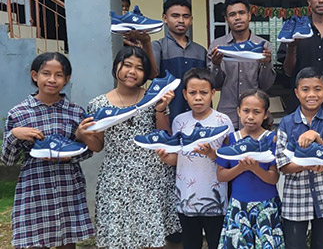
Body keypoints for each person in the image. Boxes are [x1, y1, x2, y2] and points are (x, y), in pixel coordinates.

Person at [84, 46, 180, 248]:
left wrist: (160, 109)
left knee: (151, 236)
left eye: (139, 68)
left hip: (151, 177)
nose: (132, 72)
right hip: (116, 178)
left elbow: (164, 136)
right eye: (127, 65)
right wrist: (82, 135)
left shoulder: (153, 97)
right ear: (116, 66)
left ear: (145, 74)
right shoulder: (98, 104)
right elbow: (98, 146)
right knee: (119, 236)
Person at [1, 53, 95, 249]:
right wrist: (14, 135)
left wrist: (78, 139)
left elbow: (87, 152)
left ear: (67, 79)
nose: (52, 80)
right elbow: (8, 160)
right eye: (46, 73)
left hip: (68, 188)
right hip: (35, 189)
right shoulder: (18, 113)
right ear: (35, 75)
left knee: (67, 243)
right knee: (34, 243)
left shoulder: (75, 112)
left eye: (59, 75)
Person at [158, 68, 234, 249]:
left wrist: (211, 154)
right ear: (184, 94)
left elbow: (230, 159)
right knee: (191, 244)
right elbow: (178, 159)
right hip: (186, 198)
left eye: (203, 92)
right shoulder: (179, 121)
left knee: (217, 243)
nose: (198, 97)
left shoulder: (223, 121)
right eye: (192, 93)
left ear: (213, 93)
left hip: (215, 199)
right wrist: (164, 157)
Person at [276, 67, 323, 249]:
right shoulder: (287, 123)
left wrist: (314, 136)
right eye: (305, 89)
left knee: (321, 244)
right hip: (296, 197)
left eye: (317, 89)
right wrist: (311, 162)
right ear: (296, 93)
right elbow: (283, 164)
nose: (311, 94)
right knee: (294, 245)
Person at [215, 89, 284, 248]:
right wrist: (240, 167)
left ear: (265, 114)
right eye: (246, 111)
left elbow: (274, 178)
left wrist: (255, 168)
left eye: (256, 112)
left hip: (266, 206)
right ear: (238, 111)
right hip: (239, 206)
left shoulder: (271, 139)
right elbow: (221, 175)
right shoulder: (230, 139)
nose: (250, 116)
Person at [208, 0, 275, 129]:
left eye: (241, 13)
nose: (237, 17)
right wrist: (215, 64)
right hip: (227, 116)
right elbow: (215, 84)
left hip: (255, 117)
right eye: (232, 14)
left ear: (249, 16)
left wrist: (266, 63)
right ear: (227, 20)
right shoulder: (217, 45)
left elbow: (266, 85)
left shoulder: (264, 46)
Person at [151, 0, 208, 121]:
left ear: (191, 20)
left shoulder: (201, 51)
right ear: (165, 18)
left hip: (198, 117)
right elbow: (152, 74)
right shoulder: (158, 47)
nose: (181, 20)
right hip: (167, 114)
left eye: (186, 16)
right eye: (175, 16)